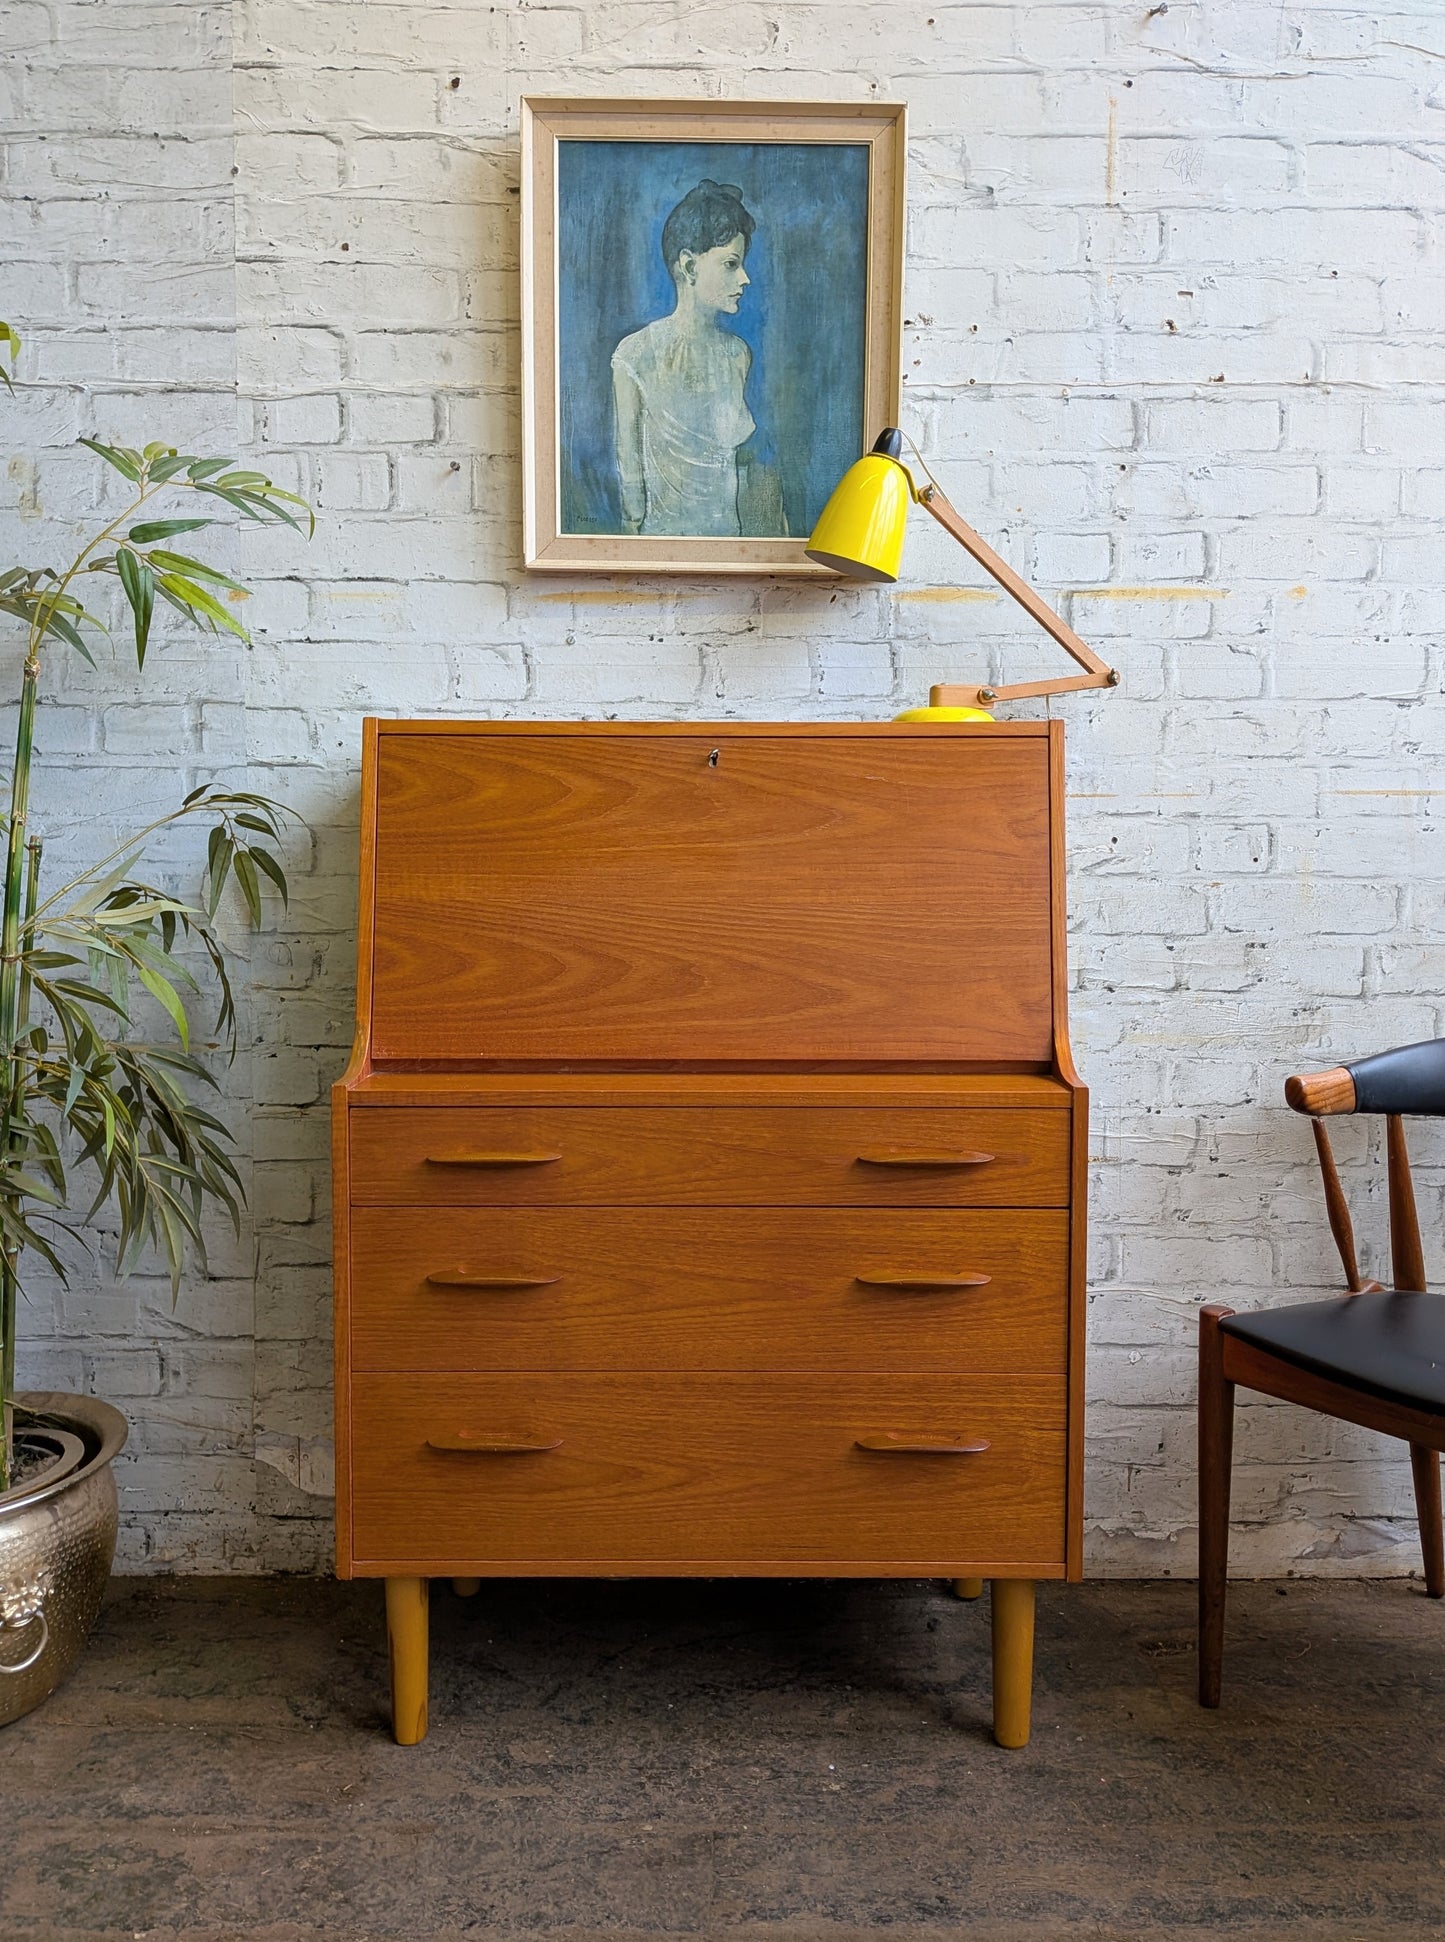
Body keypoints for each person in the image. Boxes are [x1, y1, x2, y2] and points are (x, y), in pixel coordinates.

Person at [611, 180, 762, 538]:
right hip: (660, 543)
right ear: (689, 267)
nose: (745, 278)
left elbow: (736, 470)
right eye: (731, 263)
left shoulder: (737, 354)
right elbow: (629, 471)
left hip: (729, 544)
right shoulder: (635, 354)